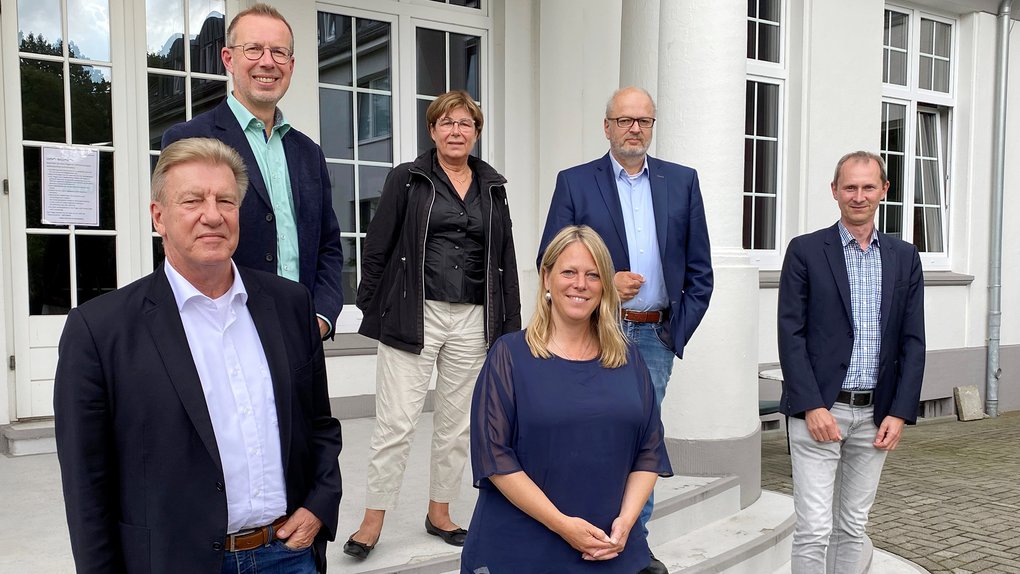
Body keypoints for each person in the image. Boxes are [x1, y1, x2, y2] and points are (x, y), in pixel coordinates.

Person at [54, 137, 343, 574]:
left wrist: (320, 504)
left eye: (226, 200)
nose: (213, 215)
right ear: (159, 218)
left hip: (287, 553)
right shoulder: (99, 331)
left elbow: (319, 424)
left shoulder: (290, 305)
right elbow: (87, 485)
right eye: (193, 200)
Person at [538, 86, 713, 574]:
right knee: (589, 433)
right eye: (625, 120)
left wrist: (673, 334)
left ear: (652, 126)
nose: (635, 128)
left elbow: (701, 271)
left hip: (653, 337)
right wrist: (604, 283)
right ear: (607, 126)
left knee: (642, 443)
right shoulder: (575, 183)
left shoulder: (682, 182)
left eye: (644, 120)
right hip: (594, 332)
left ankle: (634, 543)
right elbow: (547, 260)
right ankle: (578, 528)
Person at [344, 90, 521, 559]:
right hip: (413, 314)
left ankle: (439, 512)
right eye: (447, 123)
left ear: (476, 132)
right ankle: (372, 521)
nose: (456, 131)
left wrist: (510, 324)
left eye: (465, 124)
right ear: (433, 130)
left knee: (455, 425)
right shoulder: (408, 178)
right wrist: (370, 307)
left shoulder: (493, 188)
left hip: (474, 319)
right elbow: (379, 244)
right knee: (396, 424)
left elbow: (505, 258)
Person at [460, 225, 672, 573]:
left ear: (605, 285)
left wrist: (626, 523)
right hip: (522, 551)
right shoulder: (509, 356)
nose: (580, 284)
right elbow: (494, 457)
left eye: (592, 275)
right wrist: (563, 525)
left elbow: (649, 451)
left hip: (610, 550)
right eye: (568, 272)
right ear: (546, 278)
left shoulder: (629, 359)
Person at [778, 151, 926, 573]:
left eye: (867, 187)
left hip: (876, 416)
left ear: (884, 191)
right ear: (834, 191)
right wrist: (811, 405)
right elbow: (791, 334)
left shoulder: (904, 256)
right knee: (813, 528)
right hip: (819, 412)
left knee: (852, 526)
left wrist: (899, 412)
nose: (858, 196)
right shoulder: (806, 251)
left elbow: (913, 341)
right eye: (850, 187)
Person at [162, 3, 343, 340]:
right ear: (229, 59)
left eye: (278, 52)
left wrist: (321, 315)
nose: (267, 62)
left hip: (302, 333)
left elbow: (328, 244)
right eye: (254, 49)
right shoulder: (189, 139)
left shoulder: (308, 153)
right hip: (222, 331)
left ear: (291, 65)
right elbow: (178, 241)